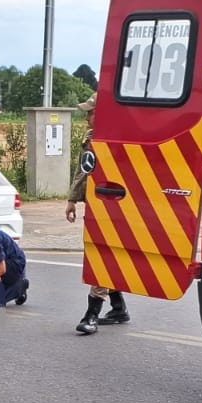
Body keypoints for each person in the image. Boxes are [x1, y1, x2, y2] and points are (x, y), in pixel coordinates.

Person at [66, 94, 130, 335]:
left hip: (113, 205)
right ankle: (118, 307)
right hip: (98, 203)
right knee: (104, 254)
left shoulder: (116, 140)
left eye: (90, 112)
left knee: (101, 255)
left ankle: (91, 314)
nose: (86, 116)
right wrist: (73, 199)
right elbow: (84, 169)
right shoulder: (93, 138)